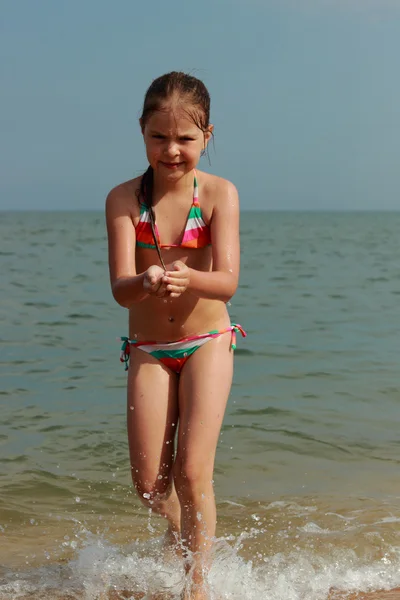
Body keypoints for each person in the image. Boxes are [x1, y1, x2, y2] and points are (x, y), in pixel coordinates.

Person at [105, 71, 245, 600]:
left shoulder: (217, 194)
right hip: (148, 350)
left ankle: (198, 585)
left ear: (207, 136)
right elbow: (120, 289)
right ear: (142, 132)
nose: (172, 150)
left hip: (208, 342)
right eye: (159, 137)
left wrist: (193, 278)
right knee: (149, 486)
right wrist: (142, 282)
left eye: (186, 139)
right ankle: (174, 528)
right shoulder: (123, 199)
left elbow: (228, 279)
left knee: (191, 472)